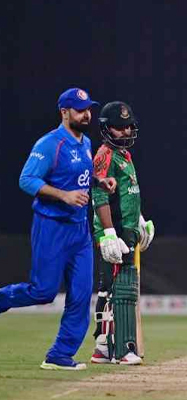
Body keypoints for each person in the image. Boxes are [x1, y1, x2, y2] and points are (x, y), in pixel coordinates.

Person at [0, 88, 113, 370]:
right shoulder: (50, 143)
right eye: (80, 110)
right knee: (43, 291)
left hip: (80, 231)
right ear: (64, 112)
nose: (86, 115)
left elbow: (80, 176)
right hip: (52, 227)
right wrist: (64, 195)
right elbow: (26, 180)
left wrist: (99, 182)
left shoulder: (86, 142)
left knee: (81, 294)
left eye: (88, 109)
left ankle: (60, 355)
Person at [90, 101, 155, 366]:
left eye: (128, 126)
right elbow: (99, 196)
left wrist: (140, 221)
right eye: (119, 127)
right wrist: (108, 232)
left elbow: (129, 193)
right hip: (114, 231)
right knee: (122, 288)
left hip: (126, 229)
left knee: (109, 288)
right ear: (107, 129)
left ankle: (103, 347)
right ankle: (124, 348)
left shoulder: (124, 155)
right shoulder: (104, 155)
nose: (126, 131)